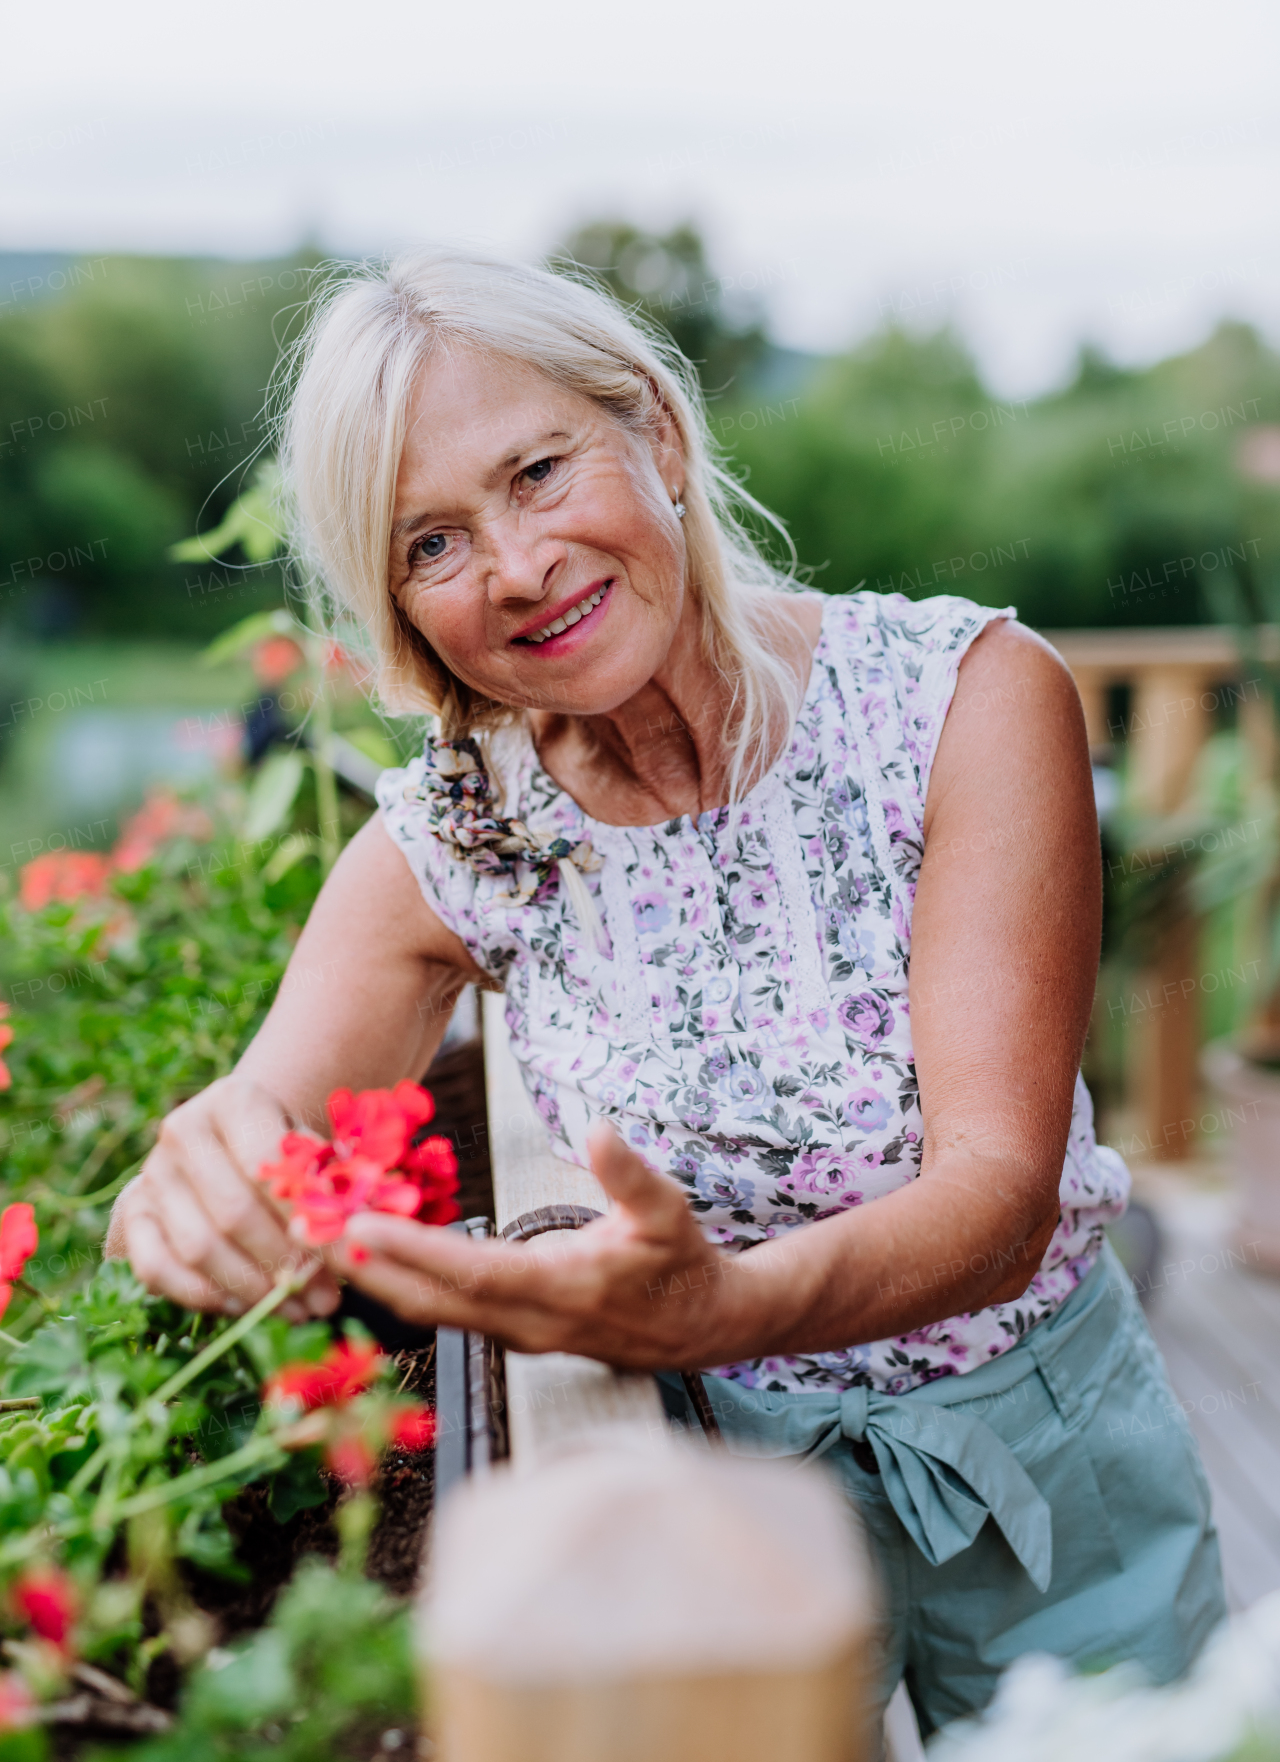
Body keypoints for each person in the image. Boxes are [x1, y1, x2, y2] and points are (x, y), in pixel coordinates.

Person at [107, 250, 1225, 1735]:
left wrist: (724, 1306)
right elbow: (259, 1110)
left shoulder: (961, 700)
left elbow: (1000, 1195)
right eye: (430, 543)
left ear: (661, 436)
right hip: (724, 1493)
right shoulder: (457, 832)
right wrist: (199, 1176)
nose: (512, 565)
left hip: (1045, 1450)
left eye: (540, 470)